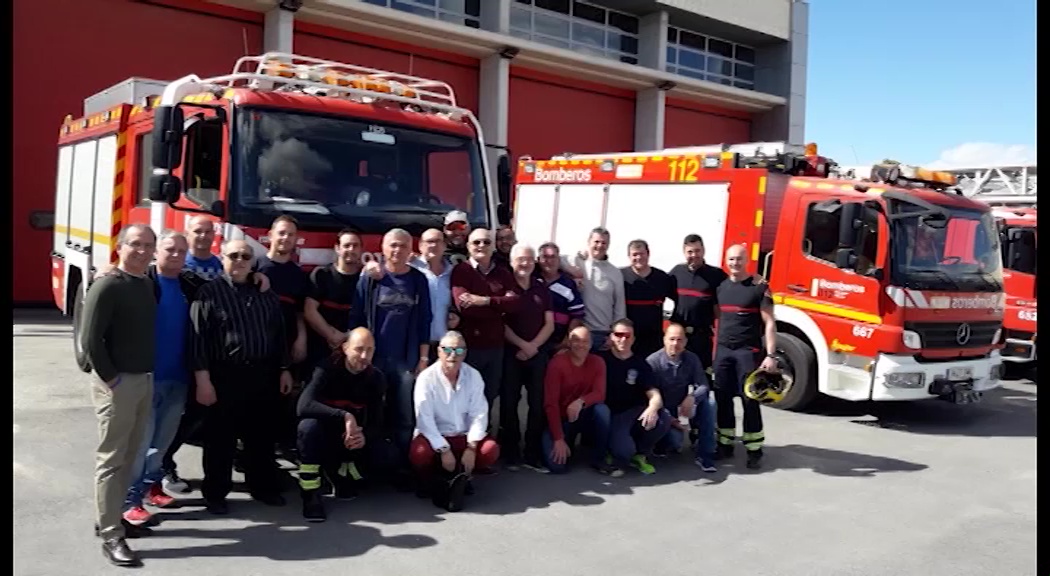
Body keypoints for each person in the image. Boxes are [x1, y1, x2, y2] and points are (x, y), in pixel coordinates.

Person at [190, 239, 295, 514]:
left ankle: (262, 488)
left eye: (245, 256)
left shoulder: (266, 294)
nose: (239, 260)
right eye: (233, 255)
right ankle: (215, 493)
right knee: (220, 440)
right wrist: (203, 379)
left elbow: (279, 335)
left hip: (263, 373)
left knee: (260, 436)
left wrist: (284, 369)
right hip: (224, 374)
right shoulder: (207, 293)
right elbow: (198, 339)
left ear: (253, 262)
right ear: (222, 258)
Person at [81, 224, 158, 567]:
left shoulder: (145, 283)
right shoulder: (108, 284)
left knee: (130, 455)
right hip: (118, 384)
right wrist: (112, 381)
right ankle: (111, 534)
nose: (142, 251)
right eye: (135, 244)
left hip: (142, 380)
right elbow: (91, 340)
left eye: (147, 245)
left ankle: (113, 517)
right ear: (120, 246)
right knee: (111, 460)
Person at [122, 231, 204, 528]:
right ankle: (129, 503)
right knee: (141, 443)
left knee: (162, 442)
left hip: (178, 378)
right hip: (147, 378)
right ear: (157, 252)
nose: (176, 255)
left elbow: (225, 287)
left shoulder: (189, 284)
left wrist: (260, 279)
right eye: (170, 249)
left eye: (182, 251)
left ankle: (151, 487)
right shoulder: (144, 282)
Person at [296, 328, 395, 522]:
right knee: (307, 428)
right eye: (359, 349)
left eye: (370, 350)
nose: (365, 356)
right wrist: (345, 416)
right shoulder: (326, 368)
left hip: (351, 441)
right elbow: (303, 406)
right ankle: (311, 495)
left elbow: (378, 421)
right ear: (345, 348)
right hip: (323, 435)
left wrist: (363, 436)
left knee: (389, 457)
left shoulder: (376, 378)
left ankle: (340, 475)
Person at [350, 228, 432, 458]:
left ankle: (403, 463)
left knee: (405, 415)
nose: (397, 250)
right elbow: (356, 317)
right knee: (369, 411)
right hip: (371, 359)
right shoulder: (370, 278)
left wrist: (423, 358)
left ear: (410, 250)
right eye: (393, 245)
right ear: (383, 248)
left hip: (404, 360)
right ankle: (366, 461)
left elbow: (425, 319)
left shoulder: (418, 279)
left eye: (403, 246)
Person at [410, 331, 501, 511]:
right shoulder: (426, 379)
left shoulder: (473, 375)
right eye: (448, 350)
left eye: (459, 350)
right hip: (434, 437)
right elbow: (424, 420)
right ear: (438, 352)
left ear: (465, 353)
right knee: (419, 453)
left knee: (490, 450)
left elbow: (479, 414)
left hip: (463, 437)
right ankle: (430, 479)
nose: (453, 355)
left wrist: (472, 447)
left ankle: (462, 475)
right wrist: (443, 450)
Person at [713, 244, 778, 470]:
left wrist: (770, 355)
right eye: (731, 259)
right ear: (726, 261)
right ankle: (725, 444)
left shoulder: (758, 288)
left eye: (739, 259)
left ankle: (754, 449)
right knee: (722, 398)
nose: (734, 263)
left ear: (747, 260)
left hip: (747, 353)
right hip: (723, 351)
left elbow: (769, 323)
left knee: (750, 399)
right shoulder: (720, 287)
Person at [255, 215, 311, 456]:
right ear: (270, 235)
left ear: (297, 240)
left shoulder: (298, 275)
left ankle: (276, 449)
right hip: (256, 347)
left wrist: (301, 339)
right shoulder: (255, 266)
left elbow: (299, 312)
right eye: (282, 232)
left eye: (291, 234)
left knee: (282, 399)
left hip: (285, 347)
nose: (286, 238)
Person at [500, 243, 554, 470]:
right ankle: (510, 453)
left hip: (538, 354)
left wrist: (533, 347)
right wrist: (522, 345)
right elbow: (499, 323)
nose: (525, 263)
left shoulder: (542, 289)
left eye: (529, 259)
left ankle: (532, 454)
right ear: (512, 261)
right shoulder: (504, 288)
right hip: (511, 354)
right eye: (521, 259)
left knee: (538, 404)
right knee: (509, 403)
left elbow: (549, 324)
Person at [450, 227, 519, 404]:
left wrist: (484, 301)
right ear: (468, 246)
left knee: (490, 393)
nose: (481, 245)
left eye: (486, 242)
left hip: (496, 346)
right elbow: (464, 307)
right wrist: (499, 305)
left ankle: (484, 431)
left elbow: (514, 304)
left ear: (493, 246)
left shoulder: (503, 273)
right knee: (465, 395)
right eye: (476, 242)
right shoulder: (461, 271)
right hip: (469, 346)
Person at [601, 318, 672, 475]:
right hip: (612, 417)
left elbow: (654, 394)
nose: (623, 339)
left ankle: (641, 454)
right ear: (611, 337)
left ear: (633, 339)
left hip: (635, 413)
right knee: (624, 451)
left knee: (664, 418)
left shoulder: (641, 363)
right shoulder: (601, 360)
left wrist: (652, 408)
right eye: (619, 335)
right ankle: (611, 449)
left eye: (627, 336)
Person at [542, 326, 615, 475]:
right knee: (557, 468)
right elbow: (551, 404)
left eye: (585, 341)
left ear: (590, 344)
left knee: (602, 410)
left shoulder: (598, 362)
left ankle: (598, 457)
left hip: (583, 415)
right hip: (562, 421)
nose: (581, 345)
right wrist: (558, 438)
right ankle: (566, 444)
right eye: (576, 340)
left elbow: (600, 394)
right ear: (569, 342)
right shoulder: (556, 364)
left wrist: (580, 401)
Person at [647, 323, 717, 472]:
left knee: (710, 403)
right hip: (663, 411)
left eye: (679, 340)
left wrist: (692, 397)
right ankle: (661, 445)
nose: (675, 344)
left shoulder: (691, 359)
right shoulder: (653, 362)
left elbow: (704, 385)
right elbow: (648, 398)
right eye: (671, 339)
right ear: (664, 340)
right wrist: (671, 420)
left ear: (685, 342)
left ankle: (705, 455)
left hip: (683, 404)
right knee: (674, 442)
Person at [304, 229, 363, 367]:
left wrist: (350, 338)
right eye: (346, 245)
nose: (351, 249)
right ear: (337, 248)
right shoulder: (321, 274)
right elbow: (310, 310)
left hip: (354, 352)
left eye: (355, 246)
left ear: (361, 250)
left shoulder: (366, 279)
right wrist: (331, 334)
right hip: (321, 348)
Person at [669, 234, 727, 371]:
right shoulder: (676, 272)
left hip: (702, 337)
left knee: (701, 375)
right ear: (684, 252)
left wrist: (755, 280)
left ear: (703, 250)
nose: (694, 255)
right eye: (690, 251)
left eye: (697, 251)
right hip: (678, 337)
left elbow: (735, 287)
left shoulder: (716, 275)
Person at [564, 227, 625, 352]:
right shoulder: (578, 262)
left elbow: (620, 308)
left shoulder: (615, 272)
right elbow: (555, 259)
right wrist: (573, 268)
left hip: (602, 335)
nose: (600, 246)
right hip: (578, 332)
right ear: (588, 242)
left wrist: (615, 335)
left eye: (604, 243)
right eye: (596, 242)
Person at [621, 239, 676, 359]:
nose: (639, 258)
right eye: (635, 254)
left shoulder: (662, 278)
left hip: (653, 340)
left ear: (648, 254)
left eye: (642, 254)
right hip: (627, 339)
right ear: (629, 256)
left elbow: (680, 300)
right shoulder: (620, 276)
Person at [410, 228, 458, 363]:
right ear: (420, 245)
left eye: (438, 241)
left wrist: (455, 315)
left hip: (445, 344)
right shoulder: (410, 268)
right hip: (416, 343)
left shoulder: (453, 273)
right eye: (429, 241)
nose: (433, 245)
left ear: (444, 246)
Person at [536, 242, 585, 351]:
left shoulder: (569, 284)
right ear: (538, 259)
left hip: (557, 344)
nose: (549, 261)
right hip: (532, 342)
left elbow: (577, 315)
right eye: (545, 257)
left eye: (553, 257)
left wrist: (566, 340)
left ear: (559, 260)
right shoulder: (532, 279)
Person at [183, 215, 223, 280]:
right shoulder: (179, 263)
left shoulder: (221, 265)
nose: (203, 236)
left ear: (213, 234)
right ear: (187, 234)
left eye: (207, 232)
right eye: (198, 231)